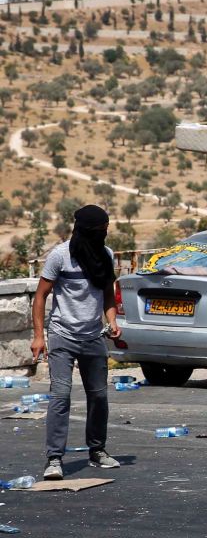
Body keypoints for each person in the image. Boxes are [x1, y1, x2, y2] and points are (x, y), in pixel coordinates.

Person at [30, 205, 122, 480]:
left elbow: (108, 294)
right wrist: (38, 336)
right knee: (60, 395)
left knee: (99, 395)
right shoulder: (60, 256)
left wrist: (112, 320)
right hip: (62, 335)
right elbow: (41, 296)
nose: (102, 236)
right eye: (99, 231)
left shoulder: (105, 255)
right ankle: (55, 459)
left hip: (93, 335)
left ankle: (98, 451)